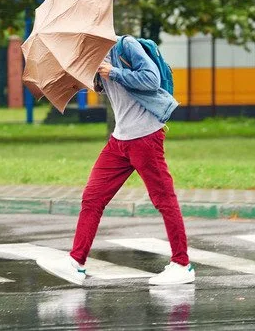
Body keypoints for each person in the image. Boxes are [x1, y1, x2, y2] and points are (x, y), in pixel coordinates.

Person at [37, 35, 195, 286]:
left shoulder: (125, 46)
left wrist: (114, 72)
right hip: (119, 141)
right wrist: (91, 78)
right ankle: (76, 263)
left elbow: (151, 79)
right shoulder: (93, 57)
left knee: (163, 199)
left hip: (145, 137)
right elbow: (108, 89)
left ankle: (182, 264)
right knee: (92, 198)